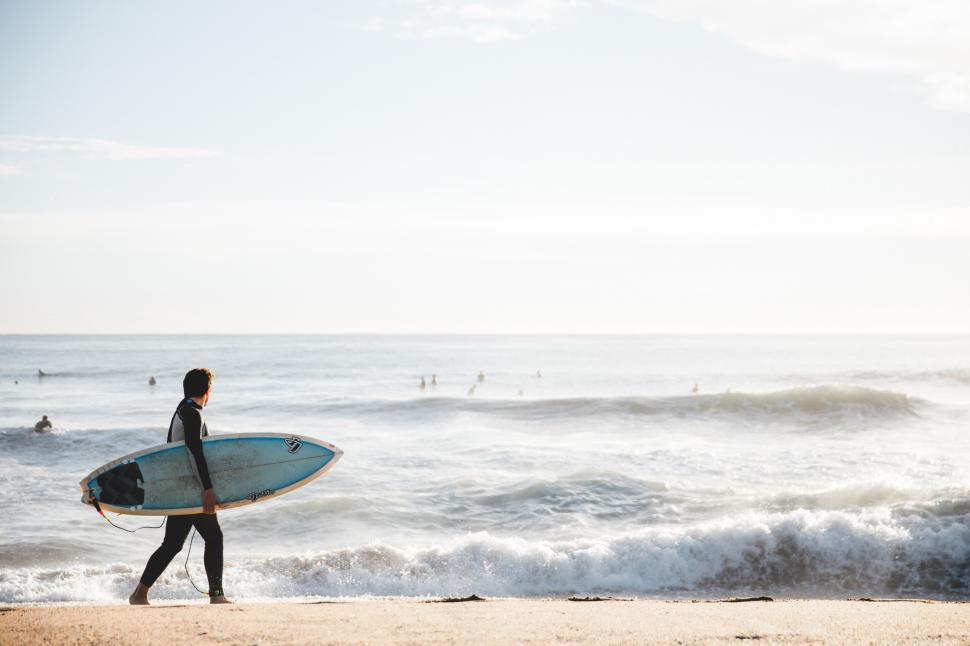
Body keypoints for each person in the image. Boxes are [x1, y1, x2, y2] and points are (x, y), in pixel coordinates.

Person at [129, 368, 231, 606]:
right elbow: (195, 451)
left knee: (173, 544)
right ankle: (217, 595)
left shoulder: (182, 410)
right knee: (213, 538)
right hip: (190, 490)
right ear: (208, 391)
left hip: (181, 489)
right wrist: (207, 489)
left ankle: (139, 593)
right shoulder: (192, 414)